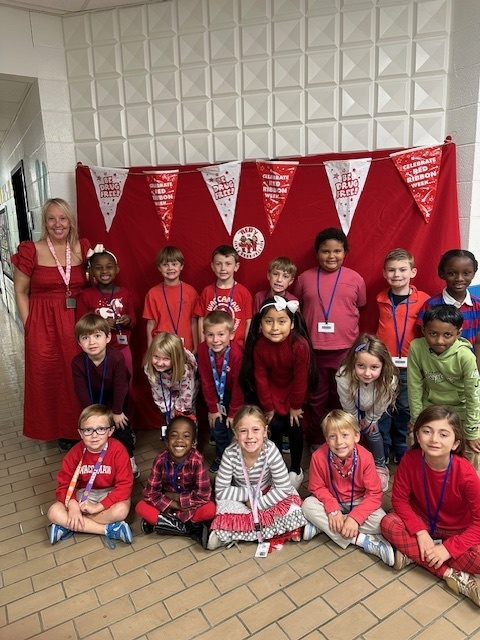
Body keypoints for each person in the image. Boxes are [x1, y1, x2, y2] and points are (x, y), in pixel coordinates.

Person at [11, 198, 91, 450]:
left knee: (80, 374)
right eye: (51, 218)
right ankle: (60, 430)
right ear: (44, 222)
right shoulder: (30, 250)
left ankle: (86, 425)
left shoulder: (83, 248)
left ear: (71, 221)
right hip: (44, 324)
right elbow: (21, 291)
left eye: (63, 218)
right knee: (50, 376)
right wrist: (29, 325)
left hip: (78, 322)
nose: (58, 224)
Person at [381, 405, 480, 607]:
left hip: (458, 530)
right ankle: (451, 574)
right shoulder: (410, 460)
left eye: (444, 434)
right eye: (427, 431)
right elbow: (399, 500)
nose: (434, 439)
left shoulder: (466, 474)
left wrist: (448, 549)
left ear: (455, 443)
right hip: (424, 522)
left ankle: (413, 554)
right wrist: (420, 533)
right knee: (388, 523)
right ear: (417, 436)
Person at [294, 227, 366, 448]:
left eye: (337, 251)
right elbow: (296, 306)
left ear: (345, 252)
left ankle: (344, 440)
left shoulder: (355, 278)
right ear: (317, 253)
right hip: (313, 350)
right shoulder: (304, 278)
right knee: (316, 399)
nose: (331, 256)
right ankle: (317, 439)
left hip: (345, 350)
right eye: (326, 251)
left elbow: (360, 305)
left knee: (344, 397)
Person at [207, 405, 307, 550]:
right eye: (243, 431)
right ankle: (226, 535)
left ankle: (236, 533)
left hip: (267, 493)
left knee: (293, 507)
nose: (249, 436)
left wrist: (259, 503)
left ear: (265, 432)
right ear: (235, 433)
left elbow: (283, 487)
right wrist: (251, 495)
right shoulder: (230, 454)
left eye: (256, 430)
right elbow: (221, 491)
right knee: (223, 507)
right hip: (243, 498)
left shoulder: (271, 450)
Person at [242, 296, 317, 489]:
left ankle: (295, 469)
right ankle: (275, 468)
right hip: (271, 392)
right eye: (269, 321)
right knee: (273, 426)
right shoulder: (259, 345)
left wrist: (295, 407)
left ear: (292, 324)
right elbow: (260, 378)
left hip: (294, 393)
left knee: (295, 425)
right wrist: (268, 407)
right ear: (261, 323)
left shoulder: (299, 345)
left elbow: (301, 380)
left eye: (281, 321)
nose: (275, 327)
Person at [302, 410, 394, 566]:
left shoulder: (366, 457)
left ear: (356, 437)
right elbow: (317, 488)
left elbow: (374, 494)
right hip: (331, 501)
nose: (339, 442)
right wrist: (332, 509)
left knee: (381, 520)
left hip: (358, 501)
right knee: (307, 505)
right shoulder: (318, 456)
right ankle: (362, 540)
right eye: (332, 436)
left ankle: (323, 526)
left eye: (345, 435)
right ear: (326, 439)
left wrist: (354, 518)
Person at [47, 404, 134, 549]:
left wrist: (98, 507)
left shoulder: (119, 451)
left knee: (121, 511)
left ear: (111, 431)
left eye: (101, 429)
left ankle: (70, 525)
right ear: (80, 433)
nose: (94, 435)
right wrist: (73, 505)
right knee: (53, 512)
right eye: (88, 430)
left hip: (110, 493)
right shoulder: (74, 453)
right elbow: (64, 486)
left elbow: (125, 486)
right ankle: (109, 530)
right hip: (83, 495)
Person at [376, 248, 430, 463]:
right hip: (384, 364)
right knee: (383, 405)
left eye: (402, 269)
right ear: (384, 273)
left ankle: (400, 444)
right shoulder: (380, 299)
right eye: (391, 270)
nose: (396, 274)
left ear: (413, 272)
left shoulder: (423, 300)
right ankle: (383, 445)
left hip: (411, 365)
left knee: (405, 406)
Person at [408, 304, 480, 460]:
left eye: (447, 335)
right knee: (416, 441)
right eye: (433, 333)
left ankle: (468, 482)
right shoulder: (416, 348)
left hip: (460, 409)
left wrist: (473, 431)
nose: (439, 340)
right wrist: (416, 420)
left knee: (472, 451)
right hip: (431, 406)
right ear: (423, 330)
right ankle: (427, 479)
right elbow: (414, 386)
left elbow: (473, 395)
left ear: (458, 333)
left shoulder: (465, 356)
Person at [72, 314, 138, 478]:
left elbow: (120, 386)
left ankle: (130, 459)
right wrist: (91, 414)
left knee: (122, 428)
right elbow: (81, 390)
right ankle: (100, 463)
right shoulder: (77, 362)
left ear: (108, 337)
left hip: (117, 398)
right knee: (95, 429)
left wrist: (116, 411)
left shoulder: (116, 357)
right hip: (93, 400)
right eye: (85, 338)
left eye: (97, 336)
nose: (92, 342)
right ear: (79, 342)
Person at [135, 416, 215, 548]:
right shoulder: (160, 460)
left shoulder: (197, 460)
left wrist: (176, 497)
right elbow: (150, 494)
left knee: (210, 509)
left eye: (186, 436)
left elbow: (203, 495)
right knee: (141, 507)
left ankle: (164, 525)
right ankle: (191, 530)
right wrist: (175, 505)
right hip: (169, 506)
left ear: (193, 442)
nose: (179, 440)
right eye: (174, 435)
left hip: (191, 505)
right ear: (166, 441)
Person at [336, 334, 399, 491]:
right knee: (349, 432)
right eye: (361, 366)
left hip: (376, 408)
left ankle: (380, 465)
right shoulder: (343, 376)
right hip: (353, 407)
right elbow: (347, 403)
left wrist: (371, 419)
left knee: (374, 431)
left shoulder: (389, 379)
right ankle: (349, 463)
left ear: (383, 366)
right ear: (353, 363)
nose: (367, 373)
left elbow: (381, 404)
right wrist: (354, 420)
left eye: (374, 367)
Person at [76, 244, 135, 379]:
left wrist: (128, 319)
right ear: (91, 271)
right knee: (101, 384)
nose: (104, 271)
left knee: (125, 382)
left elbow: (133, 319)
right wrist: (101, 325)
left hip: (122, 347)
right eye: (98, 268)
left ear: (116, 269)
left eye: (109, 267)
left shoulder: (125, 292)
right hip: (96, 350)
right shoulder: (85, 295)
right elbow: (81, 324)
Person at [197, 310, 244, 473]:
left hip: (234, 395)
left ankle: (236, 461)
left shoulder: (237, 353)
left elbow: (240, 385)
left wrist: (232, 412)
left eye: (221, 334)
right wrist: (212, 408)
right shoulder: (203, 350)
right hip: (215, 394)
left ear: (231, 335)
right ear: (204, 334)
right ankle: (222, 456)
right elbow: (206, 380)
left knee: (233, 427)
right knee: (217, 426)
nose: (215, 340)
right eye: (210, 335)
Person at [417, 249, 480, 369]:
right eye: (452, 273)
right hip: (437, 371)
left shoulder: (478, 306)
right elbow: (422, 341)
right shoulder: (431, 305)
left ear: (474, 273)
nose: (459, 278)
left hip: (468, 370)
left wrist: (475, 373)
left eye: (466, 273)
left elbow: (478, 343)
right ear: (442, 273)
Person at [143, 246, 199, 353]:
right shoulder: (152, 294)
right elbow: (150, 324)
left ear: (181, 266)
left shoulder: (191, 292)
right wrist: (150, 348)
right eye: (165, 264)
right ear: (159, 268)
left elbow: (194, 322)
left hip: (186, 348)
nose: (170, 268)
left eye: (174, 264)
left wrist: (196, 346)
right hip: (161, 348)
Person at [195, 244, 253, 347]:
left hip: (236, 347)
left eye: (228, 264)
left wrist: (247, 347)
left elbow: (248, 322)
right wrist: (202, 345)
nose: (223, 268)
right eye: (218, 264)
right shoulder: (207, 292)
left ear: (236, 266)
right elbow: (201, 319)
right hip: (212, 345)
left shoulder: (243, 293)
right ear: (212, 266)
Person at [143, 331, 198, 431]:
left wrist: (180, 410)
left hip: (187, 387)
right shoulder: (149, 368)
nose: (159, 363)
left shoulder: (185, 370)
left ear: (175, 359)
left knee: (187, 420)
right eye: (156, 357)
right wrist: (168, 409)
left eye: (166, 359)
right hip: (167, 387)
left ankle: (191, 444)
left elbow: (187, 394)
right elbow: (158, 391)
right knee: (170, 418)